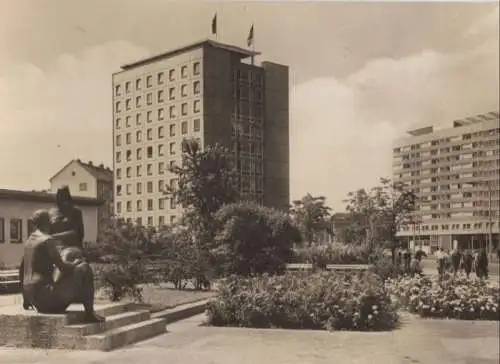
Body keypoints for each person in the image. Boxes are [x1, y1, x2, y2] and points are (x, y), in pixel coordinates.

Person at [21, 209, 104, 322]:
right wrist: (76, 263)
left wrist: (26, 300)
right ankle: (89, 313)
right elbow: (63, 268)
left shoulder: (29, 242)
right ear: (48, 222)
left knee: (70, 258)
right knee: (84, 268)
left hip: (34, 300)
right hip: (48, 301)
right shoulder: (47, 240)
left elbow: (22, 272)